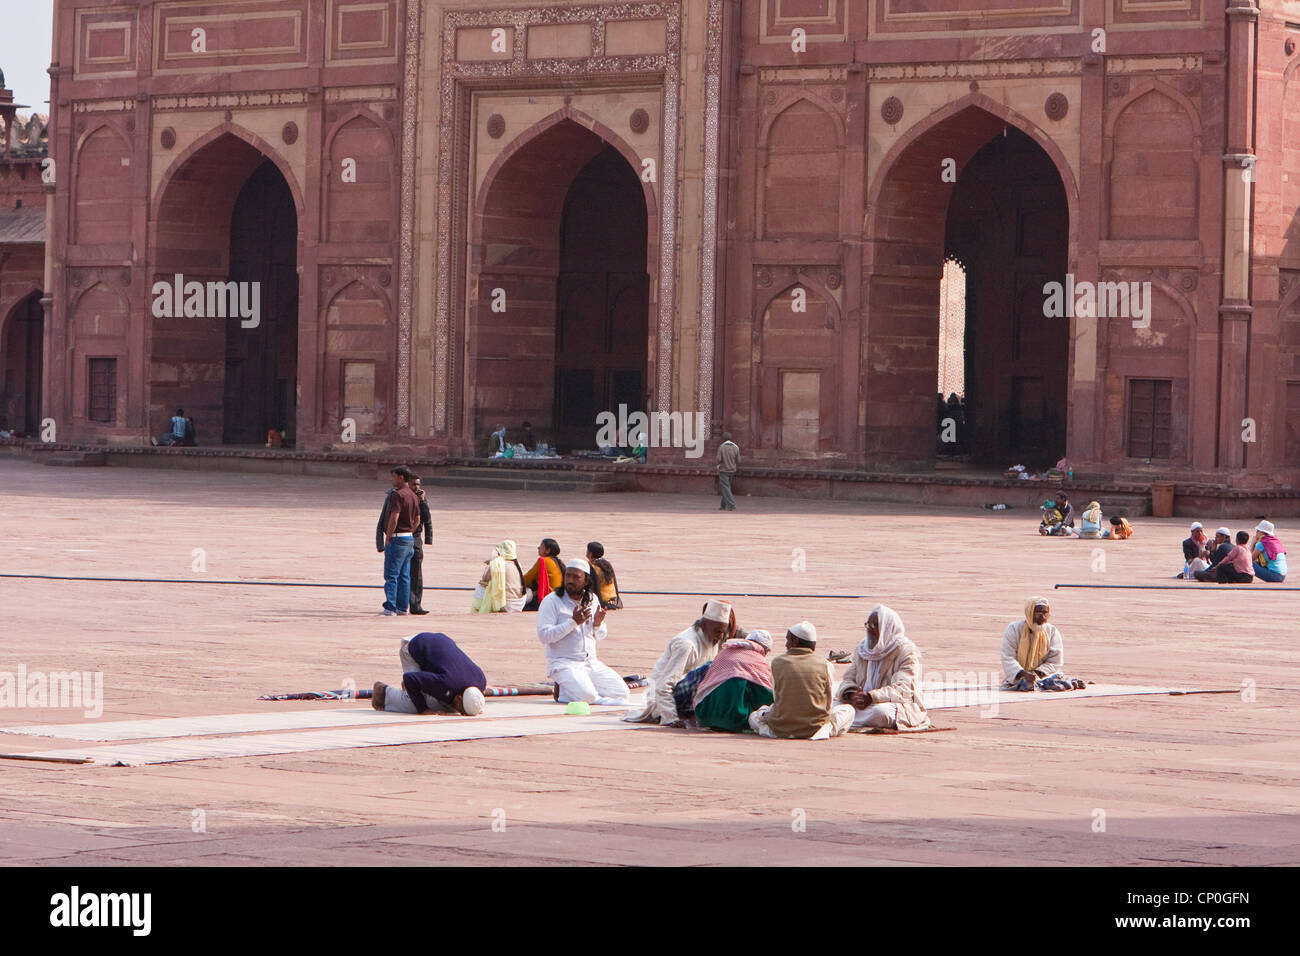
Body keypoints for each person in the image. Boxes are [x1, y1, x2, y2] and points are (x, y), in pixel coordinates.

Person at [624, 600, 735, 727]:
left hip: (687, 694)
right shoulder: (686, 645)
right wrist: (671, 718)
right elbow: (663, 685)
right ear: (704, 625)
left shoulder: (712, 639)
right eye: (717, 631)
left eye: (722, 632)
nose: (720, 636)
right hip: (661, 701)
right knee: (710, 669)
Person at [536, 558, 629, 706]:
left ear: (586, 580)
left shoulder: (592, 599)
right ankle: (570, 689)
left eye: (576, 577)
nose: (570, 580)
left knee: (622, 692)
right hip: (564, 663)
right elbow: (544, 636)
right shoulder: (551, 601)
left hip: (590, 663)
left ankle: (571, 689)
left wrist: (598, 625)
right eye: (568, 576)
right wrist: (573, 623)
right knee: (588, 696)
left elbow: (600, 635)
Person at [748, 622, 855, 739]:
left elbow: (777, 697)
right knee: (848, 710)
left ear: (795, 641)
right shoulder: (826, 665)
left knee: (754, 716)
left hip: (782, 728)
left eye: (788, 640)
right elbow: (827, 702)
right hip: (816, 730)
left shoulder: (776, 662)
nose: (786, 644)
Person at [836, 605, 931, 731]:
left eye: (875, 626)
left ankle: (844, 721)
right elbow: (848, 678)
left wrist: (872, 697)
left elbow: (905, 688)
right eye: (868, 625)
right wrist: (852, 694)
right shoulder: (863, 649)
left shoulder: (905, 651)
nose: (870, 630)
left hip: (890, 704)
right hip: (861, 704)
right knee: (831, 706)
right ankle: (848, 718)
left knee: (880, 712)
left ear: (887, 627)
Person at [372, 633, 486, 716]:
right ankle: (383, 693)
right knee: (414, 705)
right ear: (459, 697)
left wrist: (474, 708)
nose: (459, 712)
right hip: (412, 648)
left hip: (434, 644)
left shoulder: (481, 681)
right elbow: (409, 678)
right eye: (462, 710)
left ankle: (418, 686)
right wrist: (423, 709)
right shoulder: (446, 683)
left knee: (445, 705)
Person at [693, 629, 775, 733]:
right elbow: (765, 695)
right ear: (765, 650)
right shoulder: (758, 660)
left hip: (704, 712)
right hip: (734, 719)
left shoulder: (725, 652)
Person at [1000, 597, 1084, 691]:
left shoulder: (1052, 631)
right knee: (1025, 685)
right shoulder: (1014, 629)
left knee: (1052, 682)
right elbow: (1008, 657)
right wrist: (1023, 674)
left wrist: (1037, 673)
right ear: (1029, 612)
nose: (1042, 616)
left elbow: (1055, 660)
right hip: (1019, 677)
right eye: (1038, 612)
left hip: (1044, 676)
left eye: (1045, 613)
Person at [378, 466, 420, 616]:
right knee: (404, 575)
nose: (392, 480)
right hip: (409, 538)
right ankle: (402, 607)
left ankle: (390, 606)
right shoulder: (414, 496)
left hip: (397, 538)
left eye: (394, 477)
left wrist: (388, 536)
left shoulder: (398, 495)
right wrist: (410, 531)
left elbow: (394, 518)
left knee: (392, 574)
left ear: (401, 477)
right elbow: (417, 519)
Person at [471, 539, 527, 613]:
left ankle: (477, 607)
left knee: (484, 586)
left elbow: (484, 580)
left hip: (505, 604)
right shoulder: (518, 564)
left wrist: (492, 563)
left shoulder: (497, 563)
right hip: (519, 603)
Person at [407, 474, 432, 615]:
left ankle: (416, 604)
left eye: (418, 484)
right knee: (401, 573)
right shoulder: (400, 496)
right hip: (403, 536)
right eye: (413, 484)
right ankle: (399, 603)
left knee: (416, 573)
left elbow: (427, 518)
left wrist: (422, 502)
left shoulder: (421, 498)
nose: (416, 487)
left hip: (416, 538)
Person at [522, 538, 564, 611]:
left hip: (548, 599)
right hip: (559, 598)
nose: (538, 548)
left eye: (541, 546)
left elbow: (527, 579)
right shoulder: (558, 562)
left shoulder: (543, 561)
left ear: (547, 550)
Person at [586, 541, 623, 610]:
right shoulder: (606, 564)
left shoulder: (592, 567)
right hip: (612, 599)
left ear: (590, 554)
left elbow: (591, 586)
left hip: (602, 600)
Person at [717, 432, 740, 511]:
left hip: (723, 470)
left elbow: (718, 459)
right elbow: (738, 460)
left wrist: (719, 464)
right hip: (732, 470)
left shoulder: (722, 447)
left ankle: (731, 504)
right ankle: (723, 505)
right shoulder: (736, 447)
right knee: (726, 487)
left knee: (726, 487)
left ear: (723, 439)